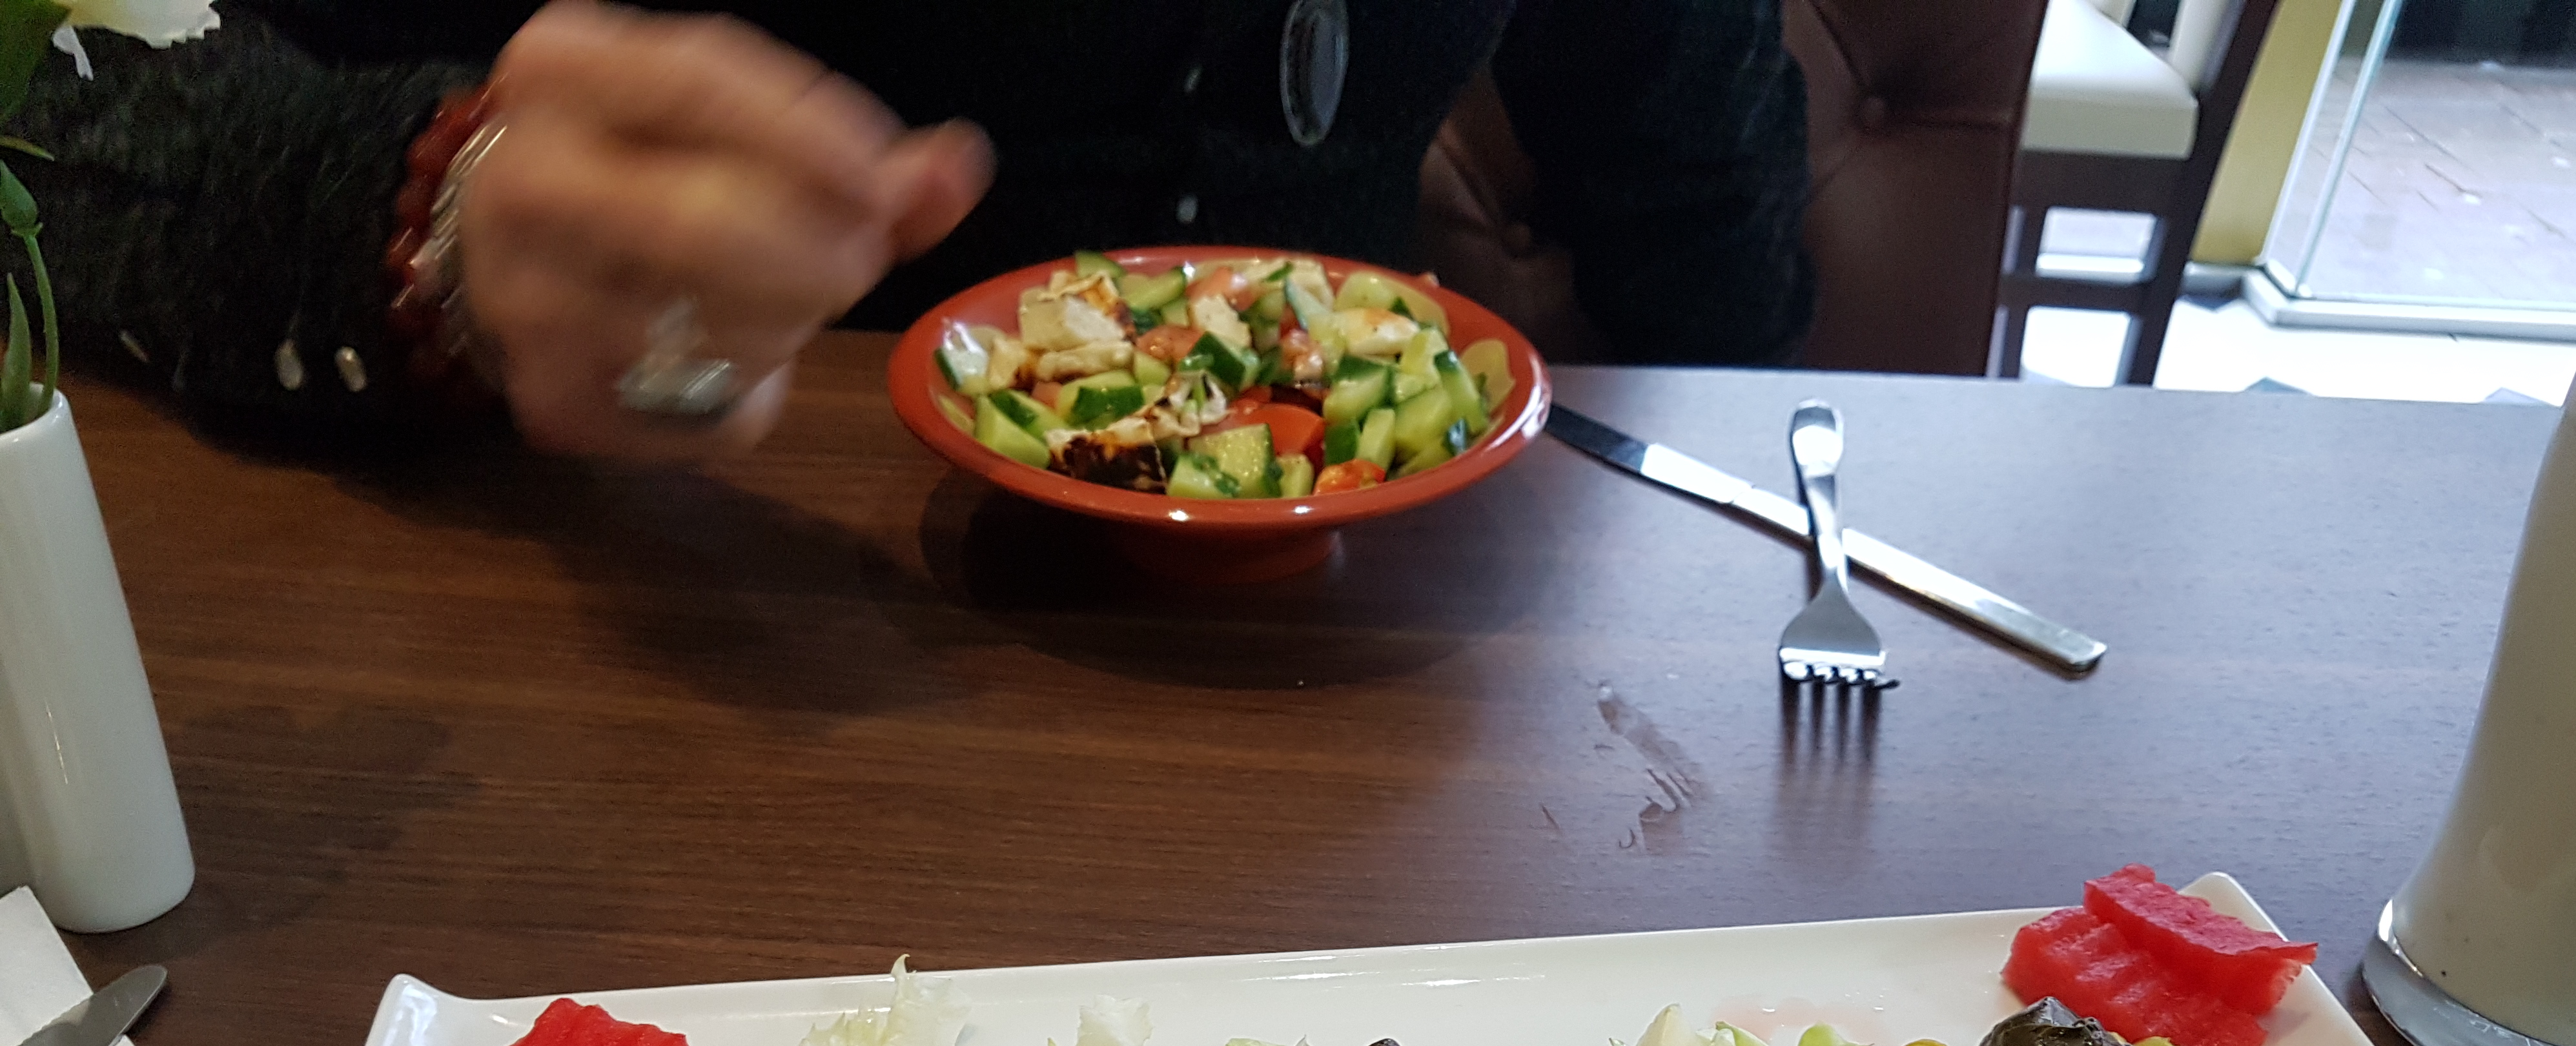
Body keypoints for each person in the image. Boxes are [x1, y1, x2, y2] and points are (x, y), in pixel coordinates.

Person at [12, 1, 1810, 456]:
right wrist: (422, 202)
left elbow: (1697, 194)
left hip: (1401, 687)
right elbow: (71, 128)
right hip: (704, 629)